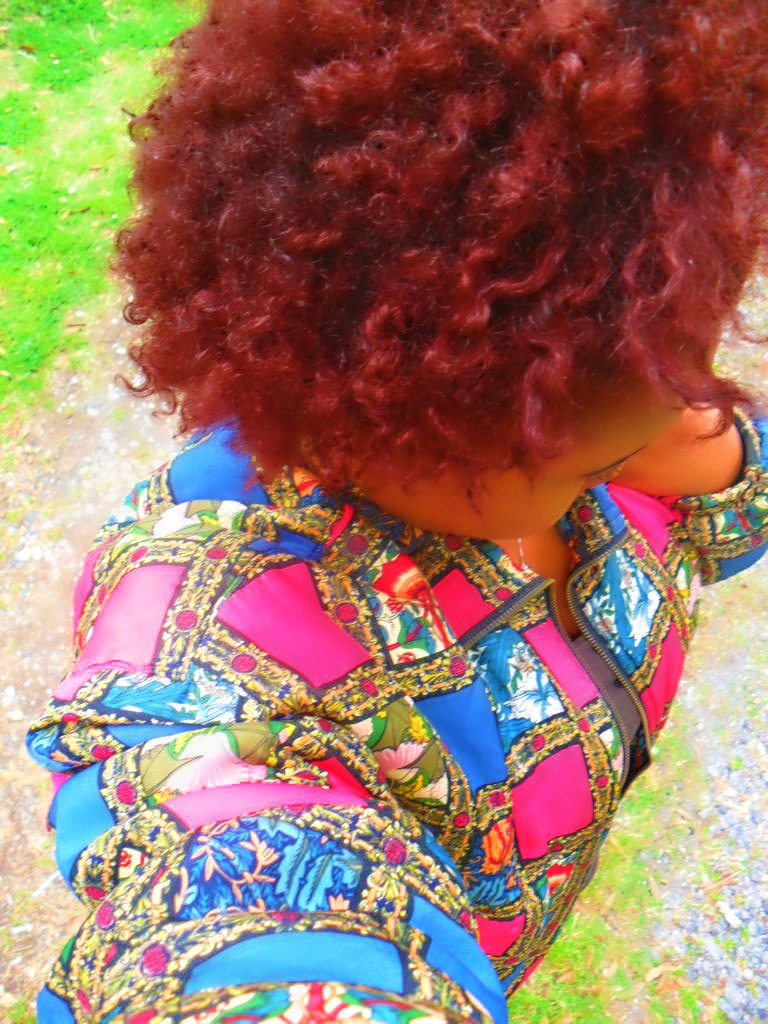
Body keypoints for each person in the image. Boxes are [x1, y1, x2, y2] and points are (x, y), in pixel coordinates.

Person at [27, 1, 768, 1021]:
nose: (685, 394)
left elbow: (713, 503)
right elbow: (236, 901)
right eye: (591, 456)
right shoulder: (206, 650)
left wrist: (722, 458)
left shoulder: (605, 377)